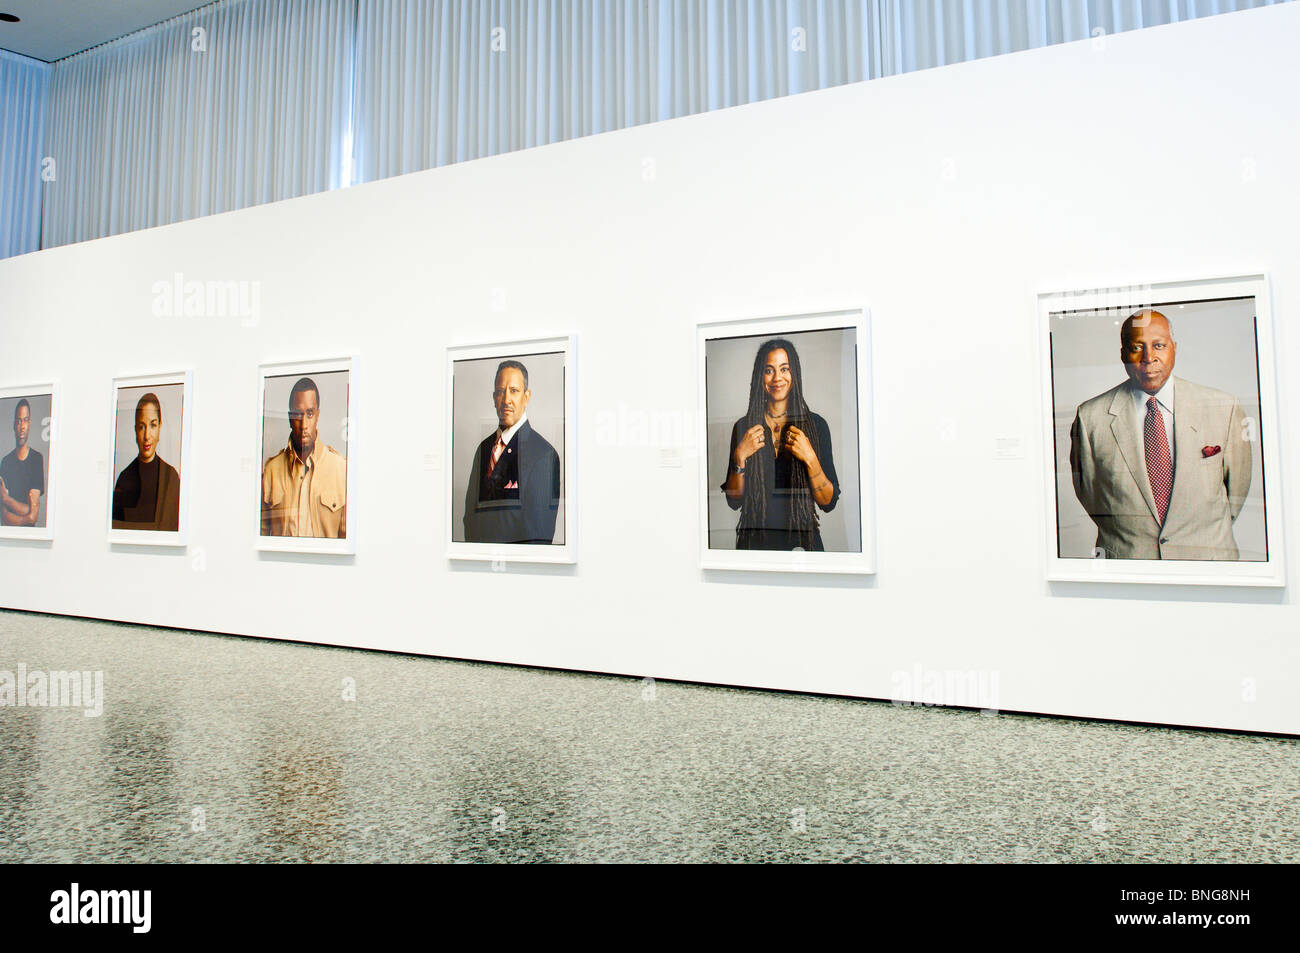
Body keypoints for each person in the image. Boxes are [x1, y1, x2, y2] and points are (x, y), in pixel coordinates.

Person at [1069, 309, 1251, 560]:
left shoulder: (1224, 408)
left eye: (1158, 345)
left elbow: (1236, 491)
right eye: (1136, 347)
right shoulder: (1090, 417)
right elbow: (1089, 494)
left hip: (1209, 564)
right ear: (1122, 354)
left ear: (1174, 348)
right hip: (1128, 566)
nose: (1148, 357)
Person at [721, 338, 839, 551]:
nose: (777, 378)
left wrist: (810, 458)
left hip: (803, 547)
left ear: (794, 374)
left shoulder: (815, 426)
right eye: (769, 370)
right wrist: (740, 456)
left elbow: (828, 502)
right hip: (754, 546)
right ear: (760, 377)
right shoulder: (744, 426)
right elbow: (734, 501)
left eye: (784, 369)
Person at [463, 360, 561, 544]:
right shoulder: (483, 449)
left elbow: (538, 535)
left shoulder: (543, 455)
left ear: (527, 396)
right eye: (500, 391)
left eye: (514, 391)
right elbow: (470, 518)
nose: (506, 399)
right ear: (494, 398)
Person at [261, 377, 347, 538]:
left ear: (317, 415)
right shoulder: (272, 471)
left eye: (309, 413)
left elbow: (347, 540)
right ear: (289, 418)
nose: (304, 424)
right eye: (297, 414)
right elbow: (261, 537)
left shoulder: (340, 470)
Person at [112, 392, 181, 531]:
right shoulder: (124, 478)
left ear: (160, 427)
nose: (147, 436)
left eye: (153, 425)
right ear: (135, 430)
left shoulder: (171, 477)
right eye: (141, 427)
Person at [0, 399, 45, 528]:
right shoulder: (6, 462)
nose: (22, 426)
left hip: (31, 536)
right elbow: (5, 517)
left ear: (29, 424)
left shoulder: (36, 459)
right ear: (14, 425)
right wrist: (28, 515)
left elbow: (34, 516)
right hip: (9, 536)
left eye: (25, 420)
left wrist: (7, 500)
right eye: (19, 421)